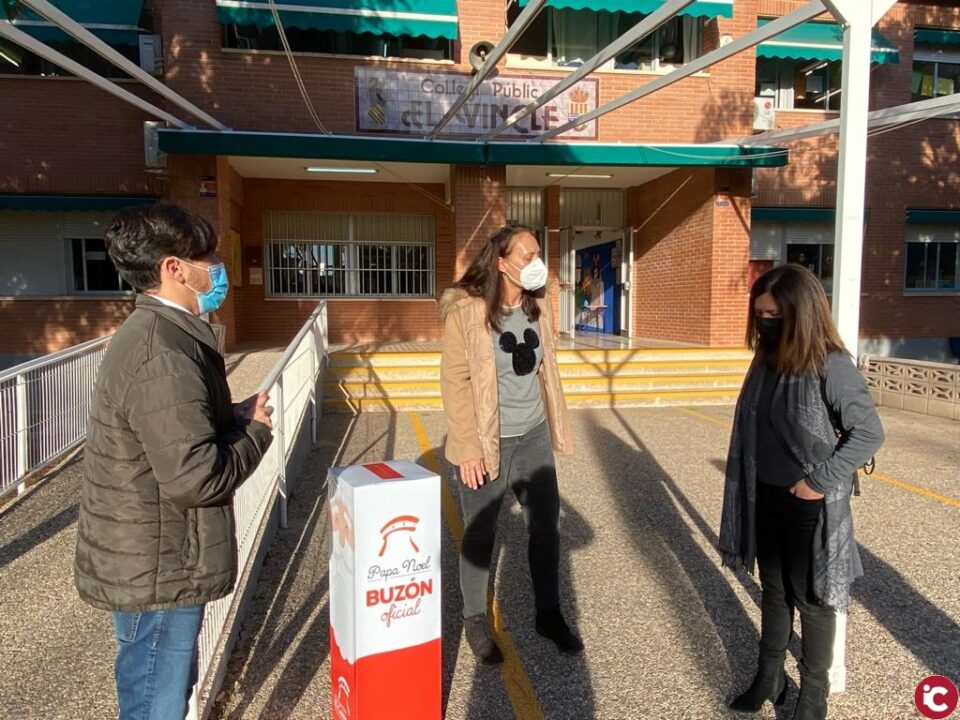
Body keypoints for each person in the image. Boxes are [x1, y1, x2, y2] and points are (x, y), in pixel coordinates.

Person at [75, 204, 275, 720]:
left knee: (159, 689)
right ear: (174, 268)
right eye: (208, 258)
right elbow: (197, 477)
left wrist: (229, 417)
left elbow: (173, 432)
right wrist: (255, 432)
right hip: (163, 567)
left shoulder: (162, 334)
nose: (219, 269)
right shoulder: (163, 352)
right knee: (156, 701)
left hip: (156, 557)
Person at [719, 264, 884, 720]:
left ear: (801, 313)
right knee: (774, 591)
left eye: (774, 315)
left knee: (812, 600)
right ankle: (769, 677)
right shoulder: (766, 358)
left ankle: (813, 697)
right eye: (760, 315)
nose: (765, 323)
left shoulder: (831, 364)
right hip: (764, 493)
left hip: (809, 501)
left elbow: (868, 433)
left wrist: (818, 482)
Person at [439, 224, 582, 664]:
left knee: (546, 527)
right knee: (480, 533)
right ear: (501, 263)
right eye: (527, 255)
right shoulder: (467, 313)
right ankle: (475, 620)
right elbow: (455, 382)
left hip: (533, 434)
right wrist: (467, 447)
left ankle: (548, 614)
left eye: (539, 254)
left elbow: (544, 368)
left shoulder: (539, 305)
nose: (537, 263)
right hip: (488, 440)